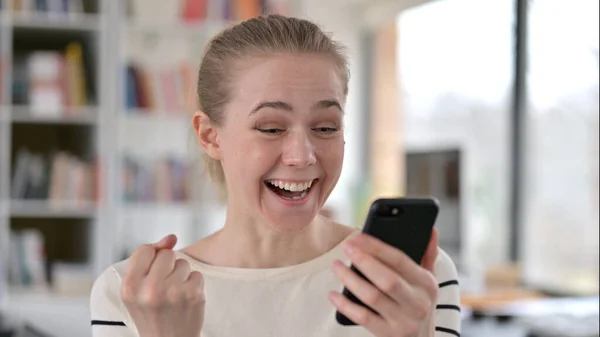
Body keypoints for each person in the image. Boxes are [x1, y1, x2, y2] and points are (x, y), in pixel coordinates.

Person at [90, 14, 461, 337]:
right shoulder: (135, 294)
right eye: (270, 128)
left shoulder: (411, 279)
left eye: (326, 127)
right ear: (210, 136)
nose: (302, 156)